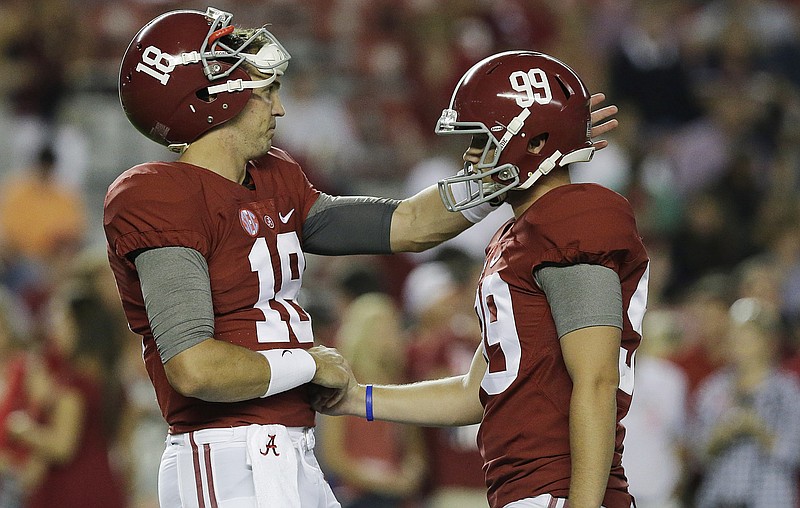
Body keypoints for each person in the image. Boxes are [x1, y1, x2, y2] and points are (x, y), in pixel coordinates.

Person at [104, 7, 618, 508]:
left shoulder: (276, 178)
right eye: (264, 90)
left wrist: (527, 150)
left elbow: (410, 225)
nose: (277, 108)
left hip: (286, 449)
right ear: (206, 97)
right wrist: (307, 363)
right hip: (227, 454)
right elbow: (194, 368)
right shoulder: (157, 196)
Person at [317, 50, 648, 508]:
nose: (471, 159)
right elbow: (478, 391)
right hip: (529, 492)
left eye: (483, 140)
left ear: (533, 144)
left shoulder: (573, 221)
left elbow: (595, 380)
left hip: (559, 492)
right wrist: (358, 399)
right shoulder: (523, 234)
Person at [690, 297, 800, 508]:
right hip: (718, 499)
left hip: (771, 499)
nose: (738, 342)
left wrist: (758, 430)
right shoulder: (713, 388)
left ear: (768, 341)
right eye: (734, 334)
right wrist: (719, 436)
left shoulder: (788, 391)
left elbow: (794, 454)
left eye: (747, 334)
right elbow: (697, 458)